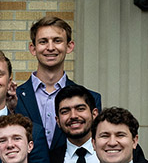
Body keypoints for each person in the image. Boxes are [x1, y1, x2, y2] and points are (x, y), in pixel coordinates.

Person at [14, 16, 102, 154]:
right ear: (33, 48)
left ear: (69, 46)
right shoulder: (14, 98)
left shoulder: (92, 99)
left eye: (57, 41)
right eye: (43, 42)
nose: (50, 47)